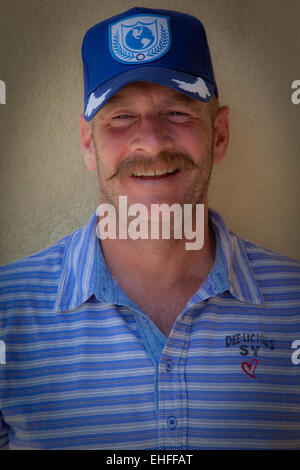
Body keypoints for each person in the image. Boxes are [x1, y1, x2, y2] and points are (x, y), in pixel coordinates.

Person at [0, 6, 299, 451]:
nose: (153, 142)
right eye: (120, 118)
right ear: (89, 143)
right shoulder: (8, 312)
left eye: (178, 112)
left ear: (219, 135)